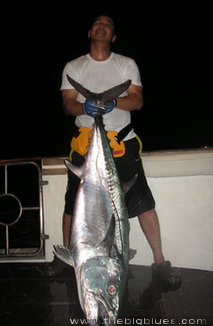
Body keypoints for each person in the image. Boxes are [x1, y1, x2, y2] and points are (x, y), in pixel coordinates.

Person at [47, 15, 181, 285]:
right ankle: (69, 257)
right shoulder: (73, 67)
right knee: (74, 202)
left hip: (121, 142)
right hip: (87, 141)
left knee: (143, 202)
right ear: (89, 31)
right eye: (98, 22)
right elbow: (67, 103)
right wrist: (84, 107)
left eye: (108, 25)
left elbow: (137, 100)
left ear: (113, 36)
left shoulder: (126, 64)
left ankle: (160, 262)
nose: (102, 26)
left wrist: (113, 102)